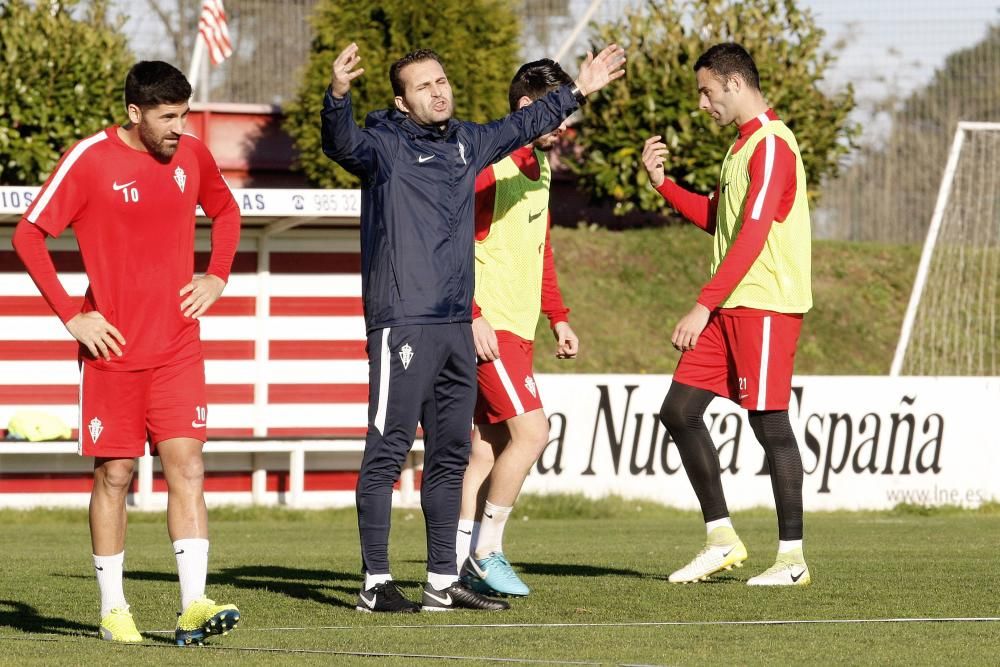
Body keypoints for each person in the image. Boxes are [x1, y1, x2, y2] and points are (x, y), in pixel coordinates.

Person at [321, 42, 624, 612]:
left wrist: (578, 90)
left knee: (450, 456)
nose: (438, 91)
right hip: (403, 322)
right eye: (423, 86)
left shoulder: (468, 143)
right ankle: (375, 583)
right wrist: (338, 96)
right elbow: (342, 143)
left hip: (457, 325)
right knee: (387, 452)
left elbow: (525, 121)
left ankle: (440, 581)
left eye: (442, 81)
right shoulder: (383, 146)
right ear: (402, 101)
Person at [12, 61, 242, 642]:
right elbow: (29, 234)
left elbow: (227, 210)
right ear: (135, 113)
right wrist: (71, 315)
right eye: (167, 117)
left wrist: (217, 275)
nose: (179, 128)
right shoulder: (89, 159)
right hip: (112, 351)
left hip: (178, 348)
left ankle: (194, 603)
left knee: (187, 465)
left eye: (184, 115)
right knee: (115, 474)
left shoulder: (192, 156)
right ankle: (114, 608)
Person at [641, 43, 813, 586]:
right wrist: (663, 186)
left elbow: (755, 235)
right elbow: (724, 221)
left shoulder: (773, 145)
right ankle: (721, 539)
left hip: (764, 304)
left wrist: (701, 304)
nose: (701, 103)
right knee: (678, 411)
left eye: (706, 91)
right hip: (733, 302)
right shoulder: (740, 149)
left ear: (733, 84)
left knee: (769, 424)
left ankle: (792, 561)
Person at [453, 59, 579, 597]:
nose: (566, 126)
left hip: (519, 328)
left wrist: (559, 316)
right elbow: (452, 247)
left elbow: (540, 249)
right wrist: (474, 315)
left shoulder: (541, 169)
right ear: (528, 108)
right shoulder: (492, 165)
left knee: (486, 445)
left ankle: (454, 564)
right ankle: (487, 551)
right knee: (533, 433)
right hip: (490, 328)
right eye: (560, 114)